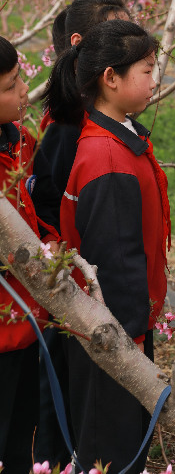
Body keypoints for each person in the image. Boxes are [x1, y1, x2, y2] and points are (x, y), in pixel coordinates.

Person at [45, 19, 170, 474]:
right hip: (113, 332)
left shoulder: (118, 135)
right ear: (110, 78)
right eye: (147, 69)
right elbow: (114, 264)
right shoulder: (109, 158)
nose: (155, 80)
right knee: (110, 448)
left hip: (121, 325)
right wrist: (130, 342)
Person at [32, 0, 129, 469]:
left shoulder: (94, 119)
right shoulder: (71, 129)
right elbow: (51, 201)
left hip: (88, 276)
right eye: (117, 37)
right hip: (72, 277)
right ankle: (58, 455)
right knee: (66, 372)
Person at [0, 36, 48, 474]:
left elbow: (34, 214)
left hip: (24, 323)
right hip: (3, 327)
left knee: (21, 438)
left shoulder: (20, 141)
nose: (22, 93)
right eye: (12, 85)